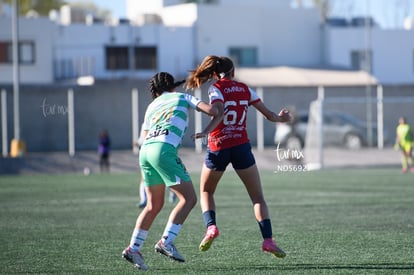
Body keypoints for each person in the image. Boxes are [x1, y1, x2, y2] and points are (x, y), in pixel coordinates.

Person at [187, 55, 291, 258]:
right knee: (257, 197)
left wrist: (206, 131)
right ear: (233, 72)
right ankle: (268, 240)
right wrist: (282, 118)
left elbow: (216, 110)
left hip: (219, 146)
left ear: (216, 74)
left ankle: (211, 227)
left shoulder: (215, 88)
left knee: (207, 191)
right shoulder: (245, 89)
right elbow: (269, 115)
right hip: (241, 146)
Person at [122, 72, 221, 271]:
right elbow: (212, 111)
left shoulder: (151, 106)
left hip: (146, 152)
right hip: (163, 150)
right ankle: (166, 241)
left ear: (156, 92)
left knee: (153, 205)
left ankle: (134, 248)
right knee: (190, 199)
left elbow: (144, 136)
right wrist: (220, 104)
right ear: (172, 87)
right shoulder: (182, 97)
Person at [134, 125, 177, 209]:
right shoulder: (146, 123)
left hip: (157, 153)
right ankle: (144, 200)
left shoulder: (160, 122)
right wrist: (138, 142)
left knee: (164, 177)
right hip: (146, 154)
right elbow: (143, 138)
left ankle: (173, 191)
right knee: (144, 178)